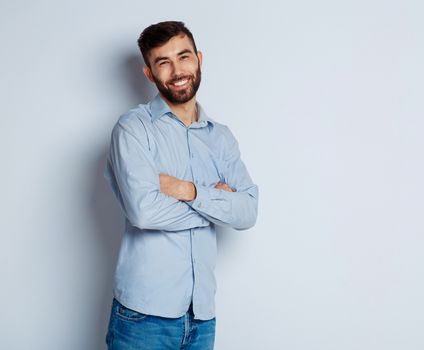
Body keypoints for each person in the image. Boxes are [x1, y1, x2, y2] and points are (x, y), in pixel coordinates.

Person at [103, 20, 259, 349]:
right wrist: (218, 204)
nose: (177, 70)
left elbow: (247, 212)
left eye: (183, 56)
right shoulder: (133, 130)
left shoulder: (221, 137)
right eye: (163, 62)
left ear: (199, 59)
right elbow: (144, 213)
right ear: (148, 73)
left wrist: (188, 191)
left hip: (202, 315)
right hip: (144, 317)